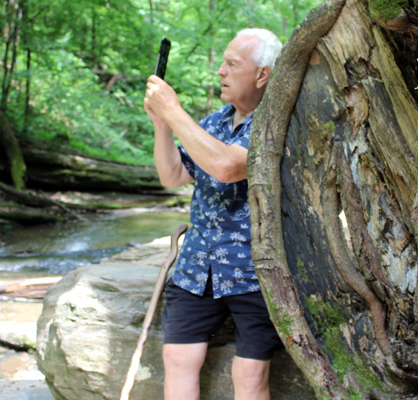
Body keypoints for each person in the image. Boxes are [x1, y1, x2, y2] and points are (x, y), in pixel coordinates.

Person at [143, 28, 283, 400]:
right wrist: (162, 124)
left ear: (262, 74)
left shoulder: (276, 124)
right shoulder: (215, 121)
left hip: (254, 270)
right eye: (222, 62)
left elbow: (226, 167)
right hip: (197, 267)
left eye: (232, 64)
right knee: (176, 358)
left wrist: (173, 110)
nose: (220, 71)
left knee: (250, 374)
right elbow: (173, 175)